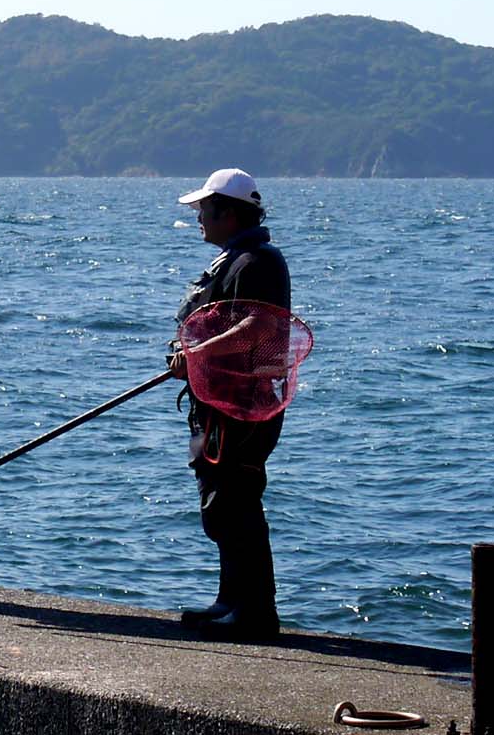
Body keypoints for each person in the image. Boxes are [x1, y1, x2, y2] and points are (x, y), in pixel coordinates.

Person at [170, 167, 293, 641]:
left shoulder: (259, 262)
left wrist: (197, 354)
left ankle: (256, 612)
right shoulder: (233, 260)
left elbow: (257, 328)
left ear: (229, 212)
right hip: (215, 405)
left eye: (205, 208)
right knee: (217, 502)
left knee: (236, 503)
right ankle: (230, 600)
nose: (199, 217)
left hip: (244, 408)